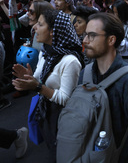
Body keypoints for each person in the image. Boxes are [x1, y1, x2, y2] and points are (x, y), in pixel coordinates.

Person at [79, 12, 128, 162]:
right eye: (85, 35)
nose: (85, 41)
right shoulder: (85, 74)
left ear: (111, 40)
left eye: (92, 35)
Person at [12, 10, 84, 162]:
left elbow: (66, 99)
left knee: (63, 154)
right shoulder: (46, 53)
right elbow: (39, 80)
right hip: (47, 113)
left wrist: (37, 86)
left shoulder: (70, 61)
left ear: (53, 31)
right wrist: (28, 79)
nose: (34, 28)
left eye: (40, 24)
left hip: (63, 119)